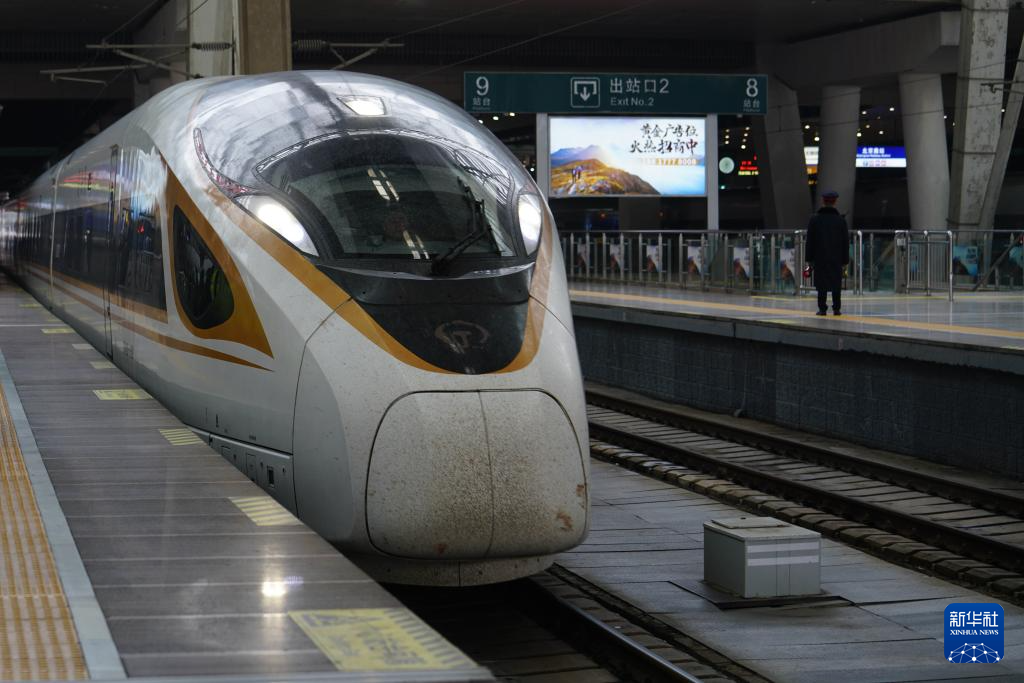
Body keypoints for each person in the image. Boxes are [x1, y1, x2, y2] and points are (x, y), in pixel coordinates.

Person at [805, 190, 849, 316]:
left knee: (821, 283)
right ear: (835, 201)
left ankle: (822, 308)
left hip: (820, 257)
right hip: (836, 258)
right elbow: (845, 242)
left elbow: (810, 241)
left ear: (823, 201)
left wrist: (809, 259)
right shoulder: (841, 221)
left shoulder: (814, 220)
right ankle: (836, 308)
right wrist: (845, 260)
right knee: (836, 282)